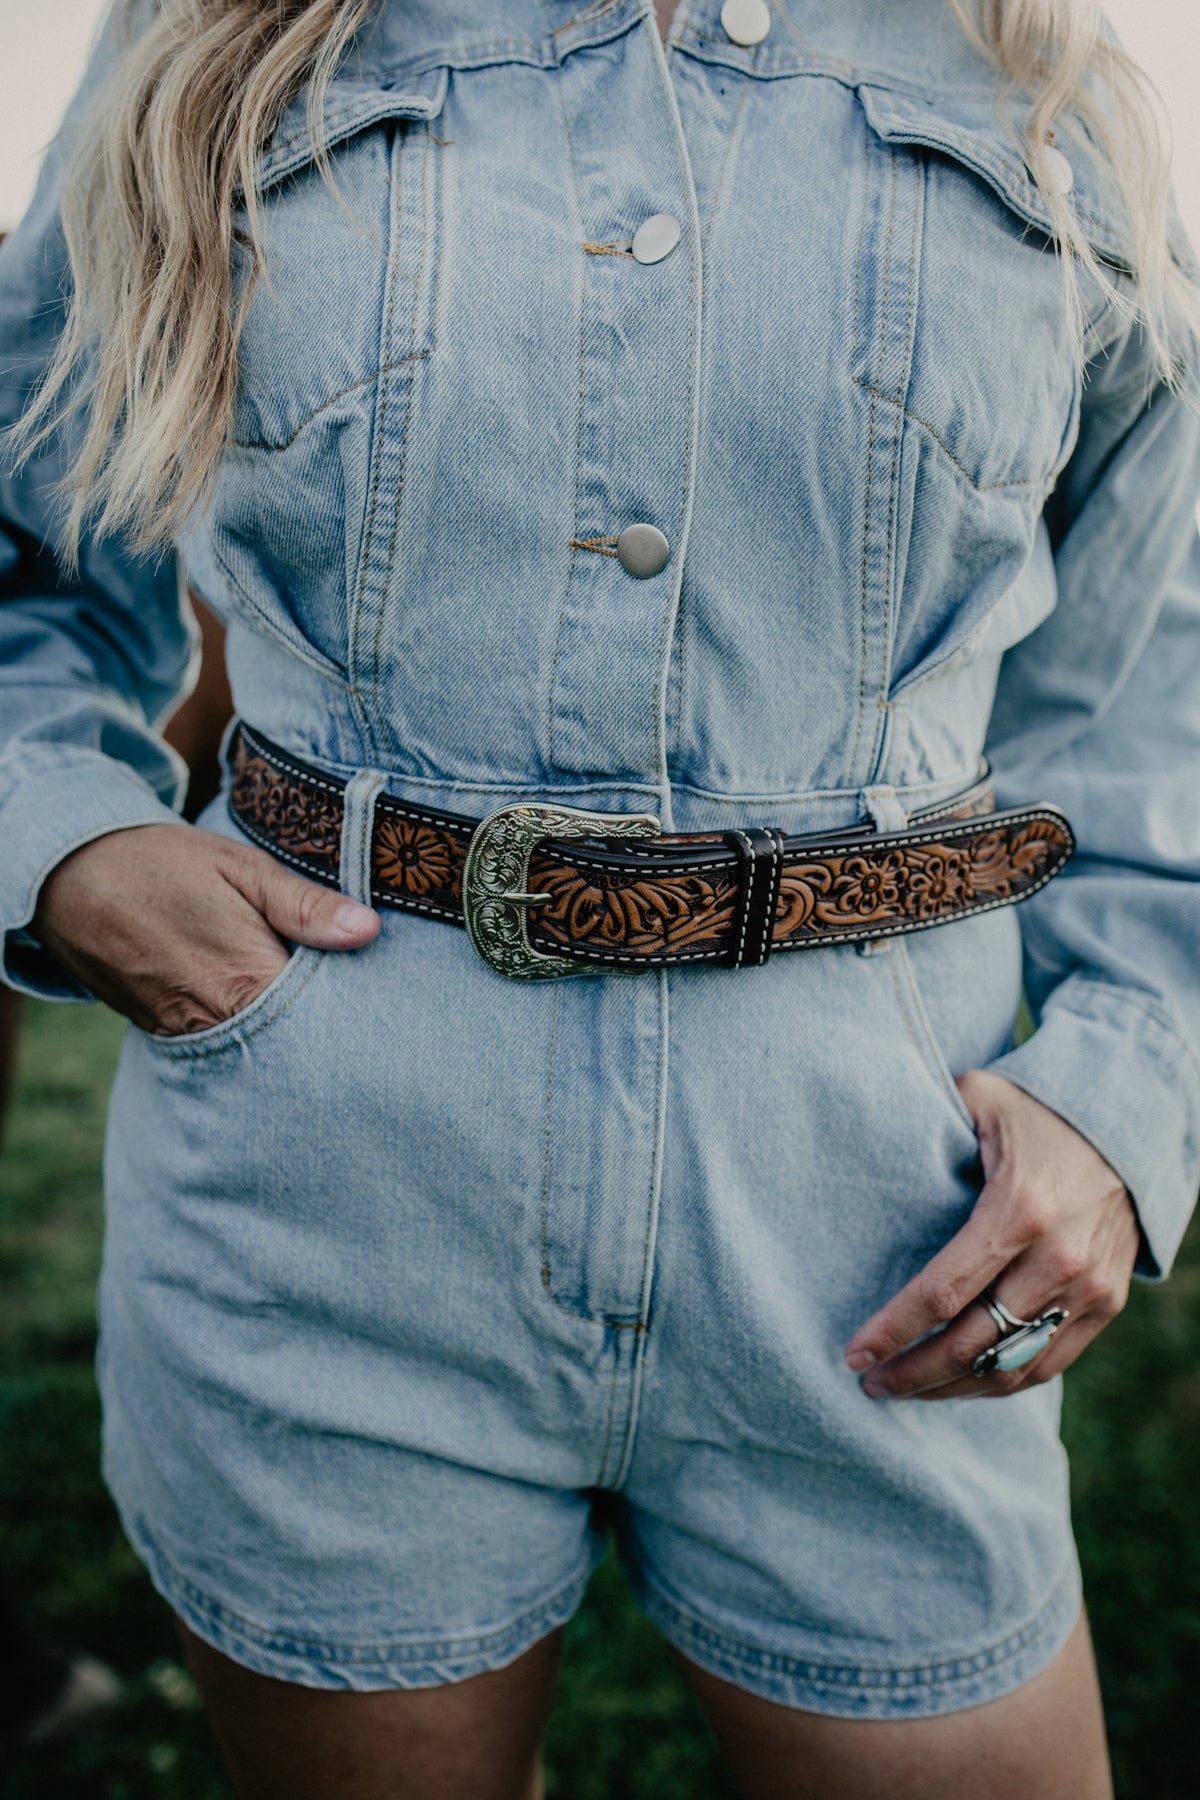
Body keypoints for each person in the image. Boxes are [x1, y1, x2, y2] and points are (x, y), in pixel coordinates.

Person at [1, 1, 1198, 1794]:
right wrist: (67, 844)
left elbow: (1152, 676)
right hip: (335, 1198)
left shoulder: (1053, 76)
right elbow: (23, 556)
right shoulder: (212, 39)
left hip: (881, 1225)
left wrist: (1126, 1090)